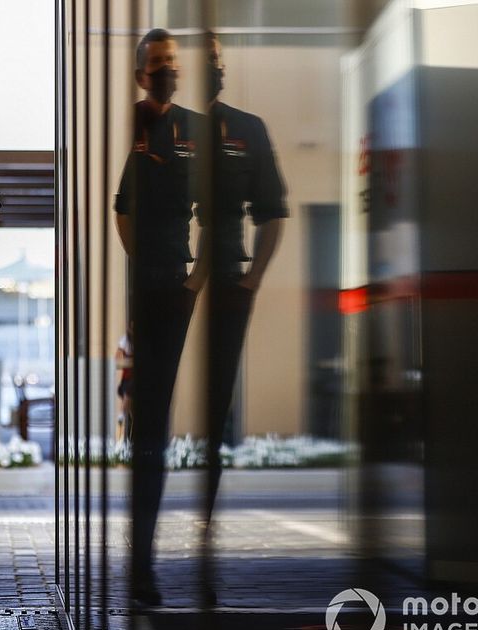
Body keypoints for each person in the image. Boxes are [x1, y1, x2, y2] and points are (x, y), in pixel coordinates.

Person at [114, 28, 203, 607]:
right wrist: (142, 261)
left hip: (178, 282)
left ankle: (147, 560)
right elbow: (122, 209)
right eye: (157, 64)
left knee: (158, 422)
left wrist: (192, 279)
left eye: (172, 62)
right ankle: (141, 562)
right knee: (148, 422)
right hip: (146, 287)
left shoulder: (195, 129)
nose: (166, 70)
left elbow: (216, 207)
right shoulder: (137, 128)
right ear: (143, 74)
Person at [201, 32, 287, 528]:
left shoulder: (246, 129)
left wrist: (252, 280)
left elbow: (272, 212)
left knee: (217, 401)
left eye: (217, 59)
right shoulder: (154, 127)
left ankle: (206, 525)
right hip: (166, 282)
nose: (215, 67)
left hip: (228, 283)